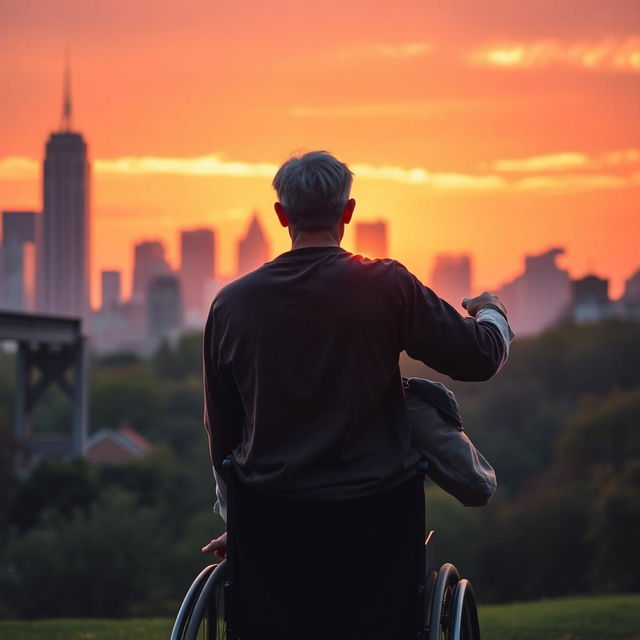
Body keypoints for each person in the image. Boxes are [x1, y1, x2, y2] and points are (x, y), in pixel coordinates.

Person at [201, 151, 513, 640]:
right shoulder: (385, 285)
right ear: (348, 212)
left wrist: (240, 523)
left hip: (272, 524)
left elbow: (223, 432)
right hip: (379, 522)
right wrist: (492, 312)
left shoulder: (232, 305)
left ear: (282, 216)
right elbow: (480, 358)